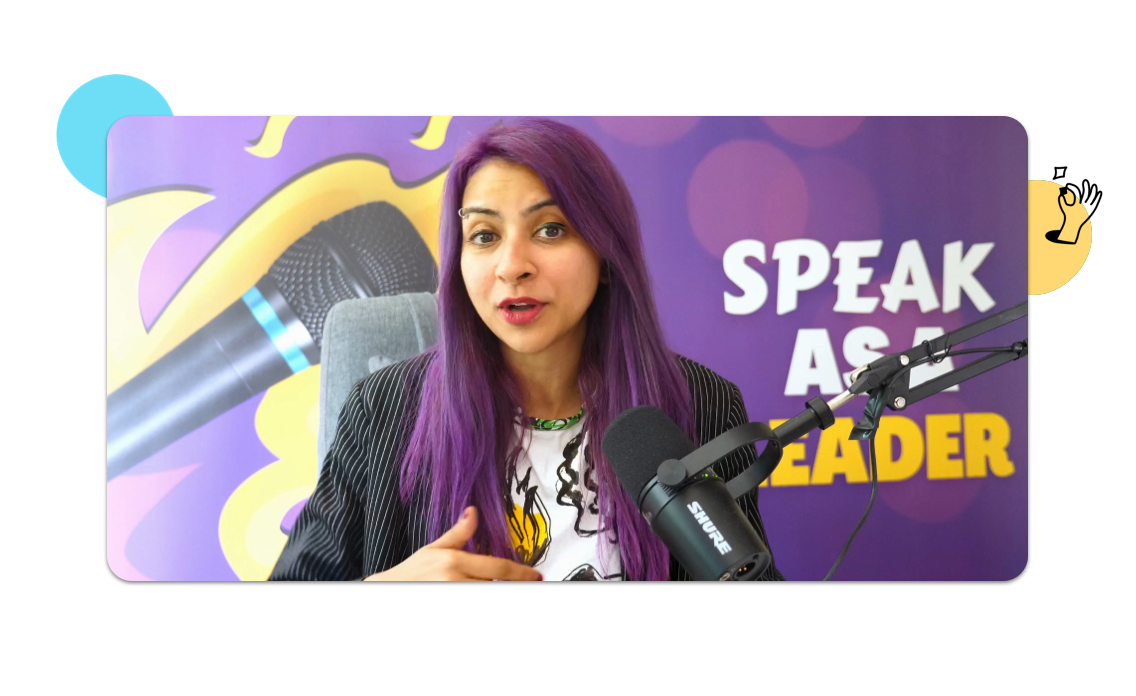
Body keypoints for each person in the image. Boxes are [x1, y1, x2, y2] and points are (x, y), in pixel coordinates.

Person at [269, 118, 786, 581]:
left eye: (550, 229)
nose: (511, 265)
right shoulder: (382, 411)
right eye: (484, 235)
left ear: (605, 252)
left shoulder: (702, 404)